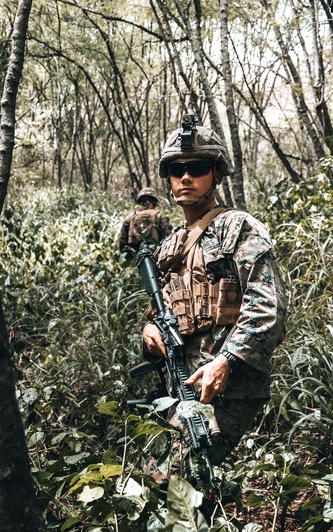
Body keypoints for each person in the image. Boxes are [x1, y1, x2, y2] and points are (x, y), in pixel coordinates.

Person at [141, 114, 287, 466]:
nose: (186, 177)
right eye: (177, 170)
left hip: (226, 385)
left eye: (198, 167)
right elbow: (156, 313)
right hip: (182, 384)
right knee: (173, 489)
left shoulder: (238, 229)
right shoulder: (171, 246)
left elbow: (269, 309)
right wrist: (148, 332)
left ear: (217, 174)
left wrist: (226, 360)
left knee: (167, 479)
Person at [118, 186, 172, 254]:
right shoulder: (160, 217)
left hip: (135, 258)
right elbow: (167, 240)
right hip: (155, 257)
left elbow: (122, 243)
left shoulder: (130, 217)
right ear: (154, 202)